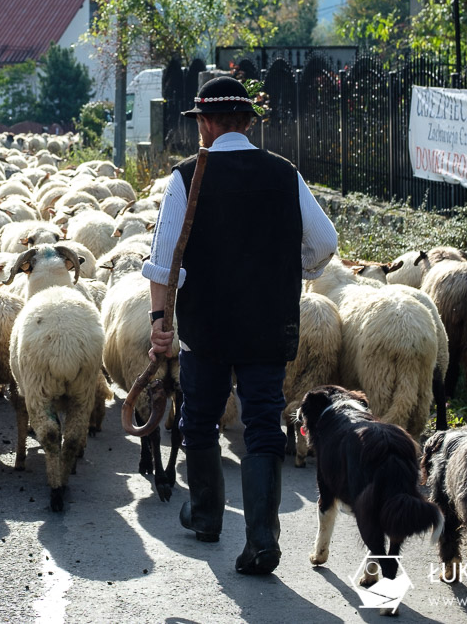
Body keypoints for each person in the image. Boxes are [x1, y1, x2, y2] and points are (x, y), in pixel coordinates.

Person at [143, 74, 337, 576]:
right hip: (268, 325)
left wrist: (159, 323)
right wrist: (296, 268)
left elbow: (164, 262)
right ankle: (262, 540)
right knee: (263, 425)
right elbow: (324, 243)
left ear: (204, 123)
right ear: (248, 123)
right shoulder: (284, 173)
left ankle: (206, 515)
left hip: (207, 327)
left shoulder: (187, 176)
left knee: (200, 419)